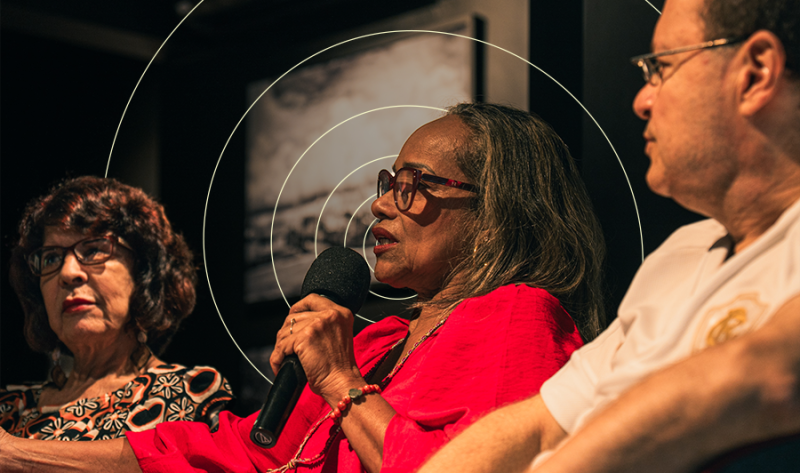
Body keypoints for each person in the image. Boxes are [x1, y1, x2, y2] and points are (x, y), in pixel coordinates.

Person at [0, 102, 607, 472]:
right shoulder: (377, 343)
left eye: (413, 184)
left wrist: (341, 383)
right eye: (388, 181)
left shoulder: (517, 316)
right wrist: (22, 454)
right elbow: (235, 453)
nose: (379, 206)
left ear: (497, 210)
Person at [418, 0, 800, 472]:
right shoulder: (679, 256)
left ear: (756, 73)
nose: (641, 100)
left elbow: (767, 373)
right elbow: (540, 422)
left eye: (660, 67)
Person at [0, 176, 233, 441]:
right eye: (51, 257)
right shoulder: (9, 410)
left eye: (93, 250)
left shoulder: (188, 395)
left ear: (143, 273)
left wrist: (14, 454)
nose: (67, 272)